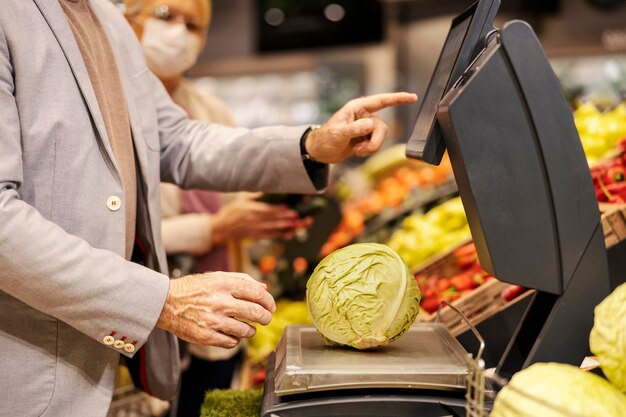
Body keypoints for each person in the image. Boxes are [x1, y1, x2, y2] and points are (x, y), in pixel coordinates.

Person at [0, 1, 417, 416]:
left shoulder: (109, 21)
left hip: (101, 361)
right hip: (23, 371)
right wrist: (161, 300)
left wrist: (311, 145)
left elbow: (177, 139)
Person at [124, 1, 309, 415]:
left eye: (195, 25)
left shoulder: (209, 110)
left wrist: (258, 215)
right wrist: (215, 228)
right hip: (150, 317)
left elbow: (226, 184)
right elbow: (117, 232)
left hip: (219, 320)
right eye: (168, 16)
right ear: (126, 17)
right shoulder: (113, 111)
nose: (180, 34)